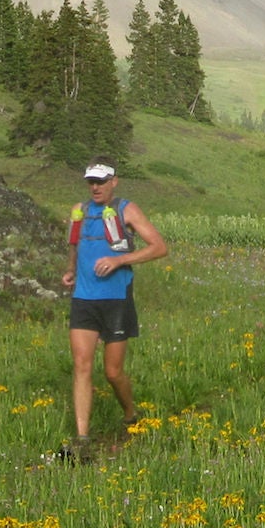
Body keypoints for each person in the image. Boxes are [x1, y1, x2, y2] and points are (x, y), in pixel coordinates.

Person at [60, 160, 168, 458]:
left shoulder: (126, 210)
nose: (95, 187)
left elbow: (159, 247)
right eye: (90, 182)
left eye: (101, 181)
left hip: (116, 299)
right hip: (83, 298)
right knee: (82, 366)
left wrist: (120, 261)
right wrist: (70, 269)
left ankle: (131, 414)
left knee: (112, 372)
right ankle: (82, 438)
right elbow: (74, 245)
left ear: (114, 182)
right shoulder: (79, 210)